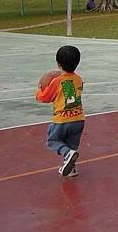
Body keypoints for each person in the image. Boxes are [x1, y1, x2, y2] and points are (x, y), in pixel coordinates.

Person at [36, 45, 85, 178]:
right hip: (79, 119)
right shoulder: (79, 79)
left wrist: (40, 88)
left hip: (62, 120)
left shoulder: (57, 81)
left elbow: (44, 98)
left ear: (58, 64)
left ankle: (67, 154)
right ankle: (72, 169)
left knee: (52, 141)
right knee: (71, 145)